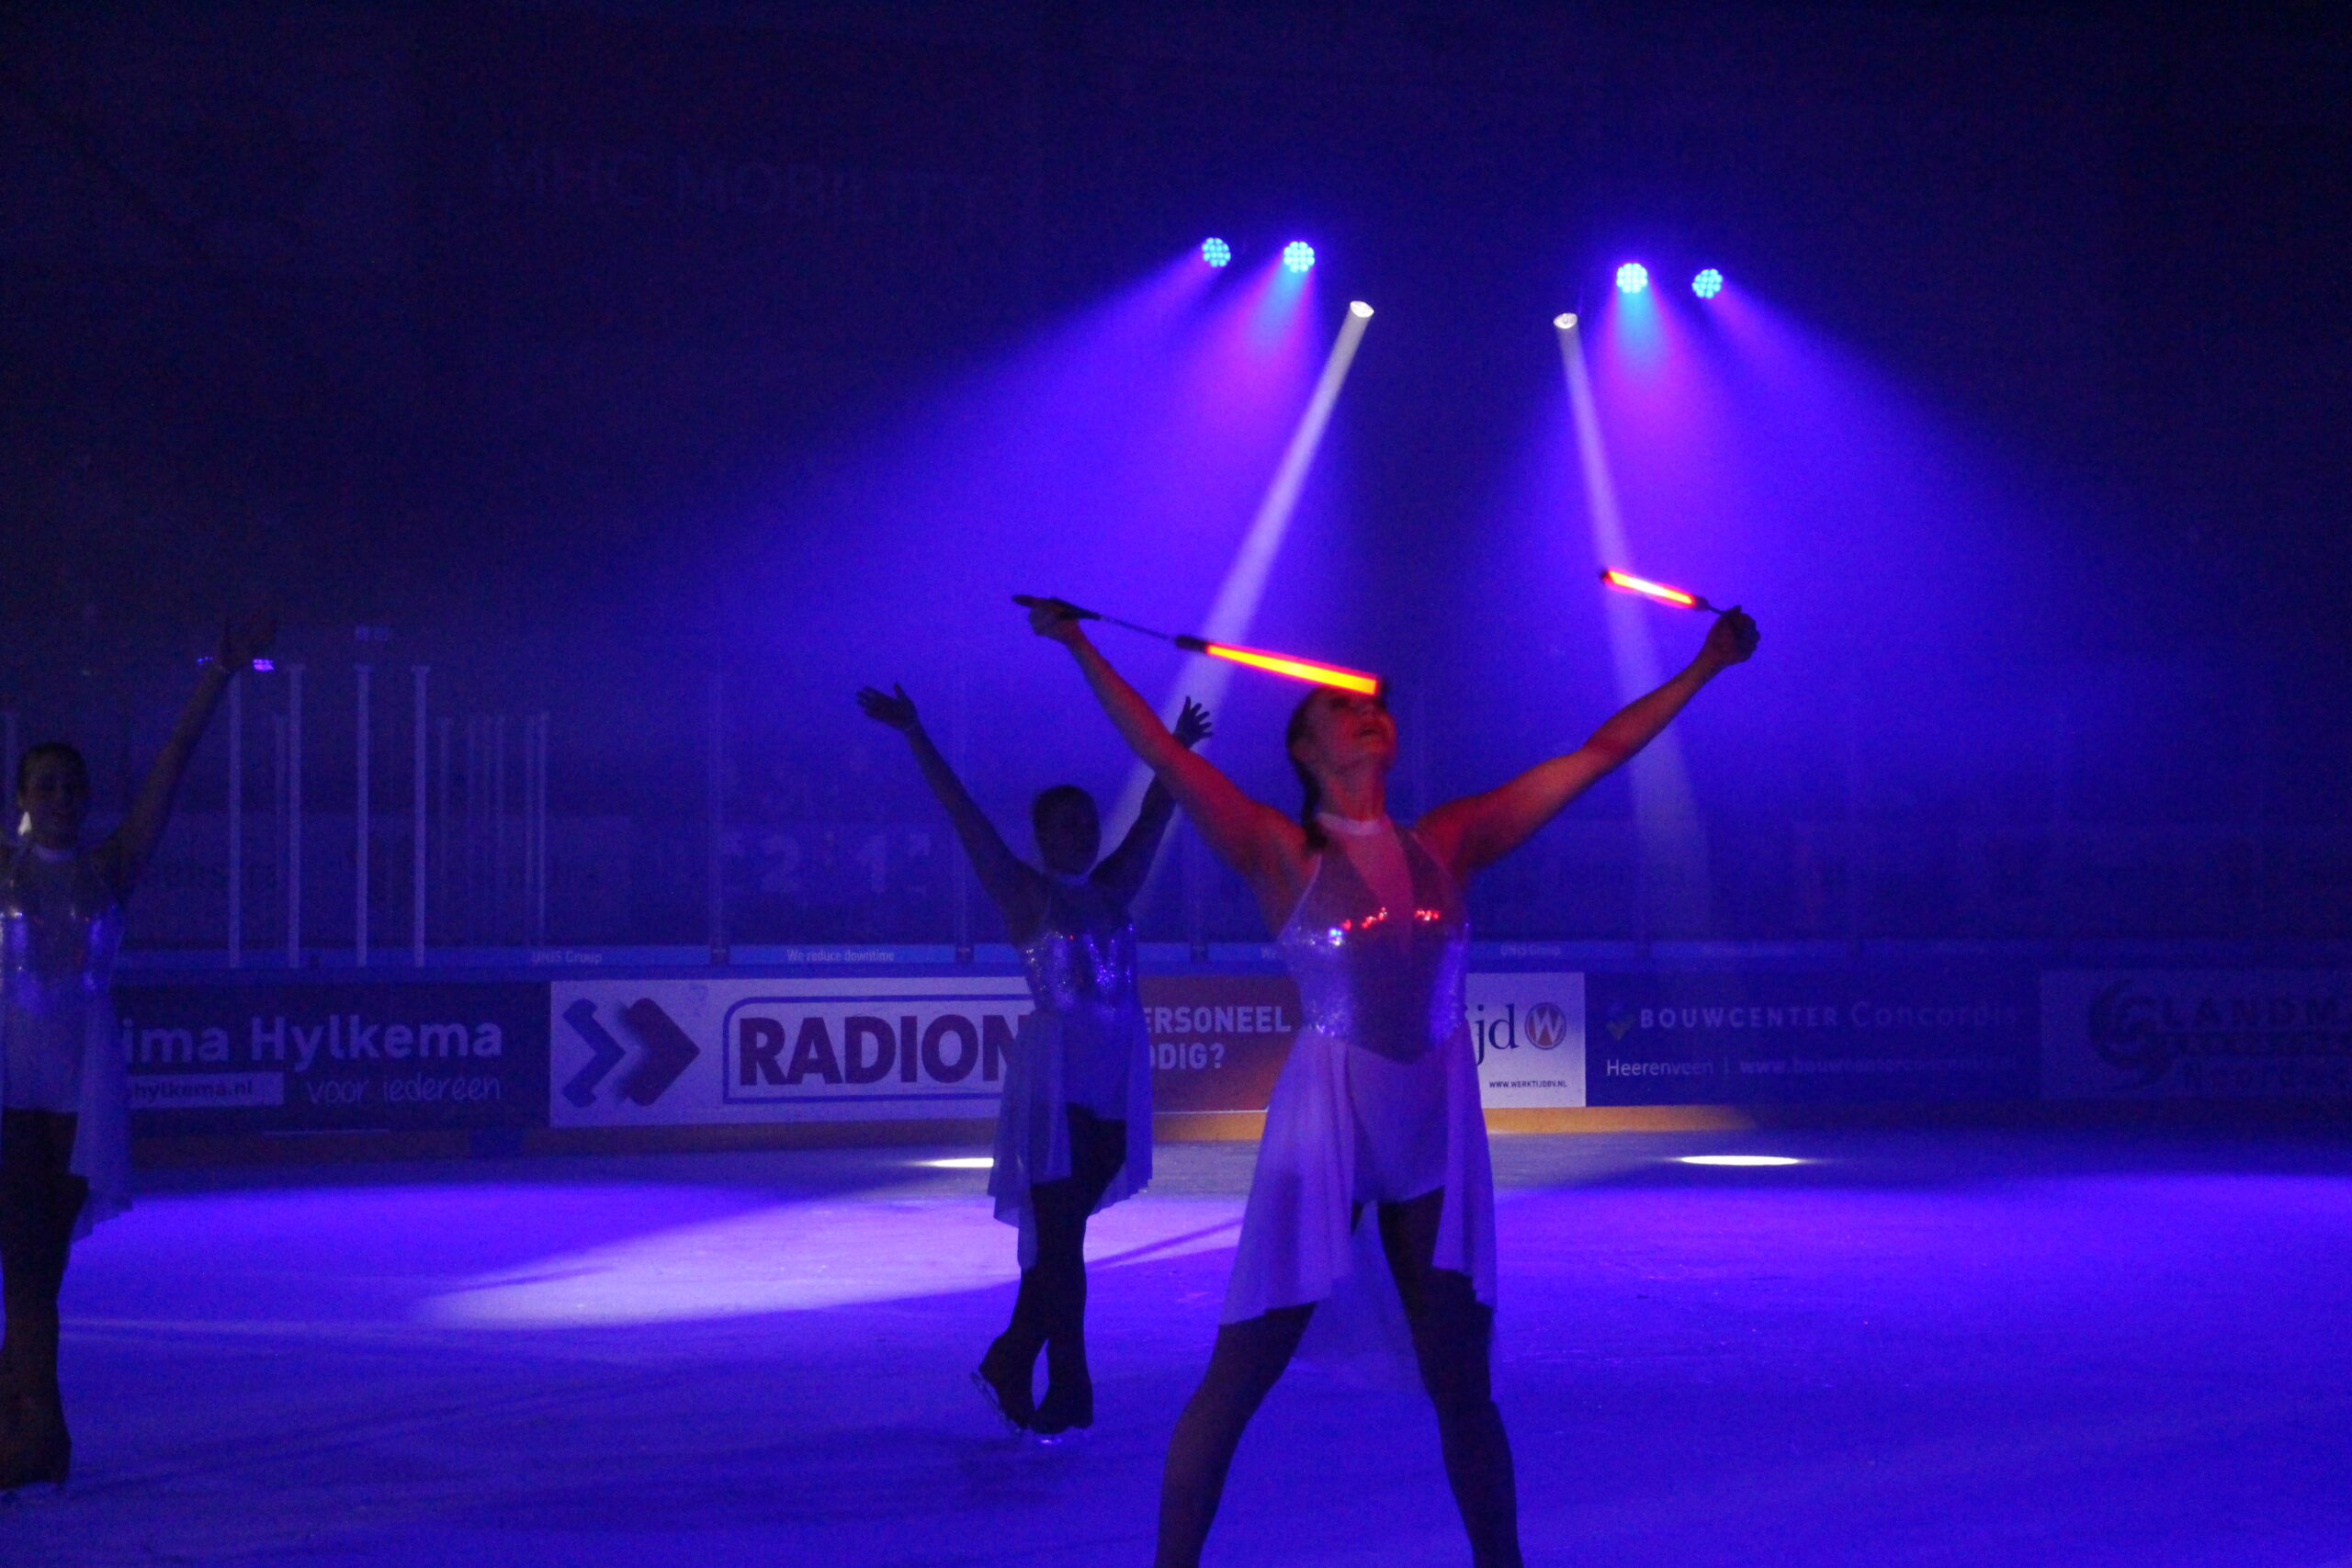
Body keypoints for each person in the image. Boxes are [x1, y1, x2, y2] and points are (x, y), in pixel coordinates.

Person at [1023, 595, 1758, 1566]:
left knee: (1462, 1380)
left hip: (1434, 1119)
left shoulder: (1449, 839)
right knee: (1241, 1372)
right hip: (1325, 1118)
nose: (1366, 710)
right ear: (1304, 749)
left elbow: (1599, 754)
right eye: (1339, 707)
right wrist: (1078, 642)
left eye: (1372, 704)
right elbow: (1160, 750)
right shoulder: (1278, 850)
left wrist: (1704, 665)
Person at [855, 681, 1212, 1437]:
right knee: (1063, 1248)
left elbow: (1155, 813)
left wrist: (1176, 749)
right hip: (1055, 1091)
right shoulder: (1028, 897)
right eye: (1066, 824)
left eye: (1087, 821)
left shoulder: (1112, 891)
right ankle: (1066, 1383)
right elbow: (965, 816)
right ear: (1042, 835)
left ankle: (1013, 1360)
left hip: (1113, 1090)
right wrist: (916, 731)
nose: (1081, 833)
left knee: (1058, 1248)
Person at [0, 611, 276, 1494]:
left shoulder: (109, 869)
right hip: (7, 1090)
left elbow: (172, 766)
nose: (61, 797)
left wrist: (216, 676)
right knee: (27, 1269)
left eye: (72, 786)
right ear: (22, 794)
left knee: (36, 1270)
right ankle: (38, 1435)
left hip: (79, 1098)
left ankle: (27, 1432)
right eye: (46, 784)